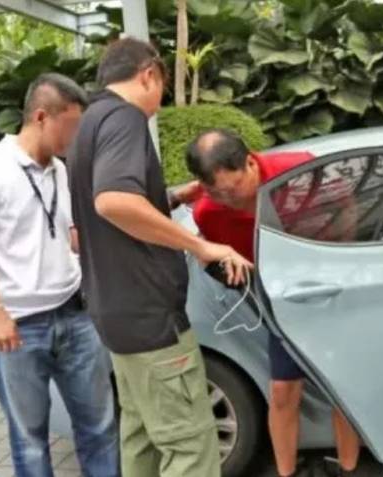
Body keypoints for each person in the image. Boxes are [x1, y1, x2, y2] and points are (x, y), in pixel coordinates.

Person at [66, 38, 251, 477]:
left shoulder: (89, 123)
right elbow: (113, 202)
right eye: (162, 89)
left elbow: (95, 219)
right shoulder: (124, 118)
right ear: (149, 74)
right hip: (151, 320)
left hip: (117, 318)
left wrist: (171, 197)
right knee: (191, 448)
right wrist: (201, 246)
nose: (159, 103)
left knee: (143, 440)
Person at [0, 73, 119, 477]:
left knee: (100, 429)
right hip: (17, 327)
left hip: (76, 316)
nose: (76, 137)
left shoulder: (61, 171)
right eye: (72, 126)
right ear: (42, 117)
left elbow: (70, 235)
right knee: (29, 441)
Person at [178, 129, 362, 477]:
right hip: (284, 304)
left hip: (335, 293)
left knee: (343, 386)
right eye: (217, 192)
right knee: (282, 390)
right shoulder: (209, 212)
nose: (228, 199)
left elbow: (348, 203)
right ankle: (286, 472)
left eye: (233, 188)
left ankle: (348, 468)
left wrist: (342, 252)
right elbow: (221, 259)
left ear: (250, 163)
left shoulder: (301, 172)